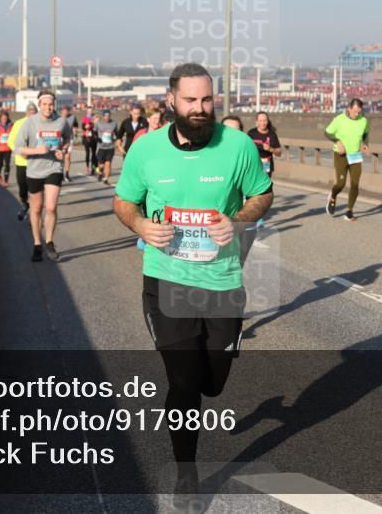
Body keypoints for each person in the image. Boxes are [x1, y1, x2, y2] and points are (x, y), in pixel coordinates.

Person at [113, 63, 273, 508]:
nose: (200, 109)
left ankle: (208, 383)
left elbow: (263, 192)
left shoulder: (237, 146)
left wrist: (238, 221)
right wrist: (142, 226)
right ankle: (186, 473)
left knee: (213, 385)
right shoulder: (146, 151)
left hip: (221, 283)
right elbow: (123, 202)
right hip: (167, 282)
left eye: (207, 100)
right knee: (182, 382)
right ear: (172, 101)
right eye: (190, 101)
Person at [18, 91, 72, 262]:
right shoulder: (30, 123)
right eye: (45, 104)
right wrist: (36, 151)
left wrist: (62, 151)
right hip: (34, 170)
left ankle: (49, 241)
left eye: (51, 104)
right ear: (39, 105)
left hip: (53, 168)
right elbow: (18, 148)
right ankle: (37, 244)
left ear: (54, 105)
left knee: (50, 207)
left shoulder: (61, 121)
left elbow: (68, 139)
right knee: (36, 208)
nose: (48, 107)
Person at [324, 98, 370, 221]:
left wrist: (365, 144)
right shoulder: (340, 119)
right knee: (341, 183)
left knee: (355, 184)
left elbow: (366, 133)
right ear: (349, 109)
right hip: (341, 155)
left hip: (355, 156)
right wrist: (338, 141)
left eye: (359, 112)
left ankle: (349, 211)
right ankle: (333, 195)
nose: (357, 115)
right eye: (355, 111)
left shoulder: (363, 120)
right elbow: (327, 132)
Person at [7, 102, 38, 221]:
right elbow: (10, 141)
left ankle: (34, 217)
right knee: (23, 189)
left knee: (34, 191)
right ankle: (25, 204)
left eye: (33, 112)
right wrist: (21, 152)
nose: (31, 114)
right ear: (26, 112)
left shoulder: (40, 124)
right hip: (21, 161)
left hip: (36, 162)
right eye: (29, 111)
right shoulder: (19, 124)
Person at [248, 111, 282, 178]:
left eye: (265, 121)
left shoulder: (272, 134)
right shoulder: (251, 133)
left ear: (268, 121)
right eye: (260, 121)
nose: (263, 123)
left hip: (266, 164)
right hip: (254, 164)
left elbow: (279, 153)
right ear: (256, 122)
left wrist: (270, 149)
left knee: (265, 186)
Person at [95, 109, 118, 184]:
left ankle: (106, 179)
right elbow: (94, 132)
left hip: (110, 147)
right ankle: (100, 172)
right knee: (101, 164)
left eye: (108, 116)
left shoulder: (114, 123)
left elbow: (117, 133)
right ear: (103, 116)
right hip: (101, 147)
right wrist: (98, 139)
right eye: (105, 116)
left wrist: (115, 139)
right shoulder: (99, 123)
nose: (107, 117)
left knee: (108, 163)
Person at [0, 110, 13, 187]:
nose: (4, 119)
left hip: (8, 148)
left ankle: (6, 181)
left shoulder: (11, 125)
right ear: (0, 118)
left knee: (7, 164)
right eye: (3, 118)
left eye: (6, 118)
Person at [80, 107, 98, 176]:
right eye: (89, 111)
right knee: (87, 153)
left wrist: (93, 122)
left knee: (94, 154)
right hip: (86, 137)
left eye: (91, 110)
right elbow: (84, 127)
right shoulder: (85, 118)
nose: (90, 112)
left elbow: (97, 125)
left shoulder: (95, 117)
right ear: (87, 111)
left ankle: (94, 168)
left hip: (93, 137)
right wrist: (91, 123)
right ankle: (87, 168)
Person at [60, 105, 76, 182]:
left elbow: (76, 125)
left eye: (67, 110)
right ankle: (61, 173)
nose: (65, 112)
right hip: (60, 139)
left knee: (68, 156)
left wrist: (75, 129)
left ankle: (67, 173)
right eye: (64, 110)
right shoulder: (58, 117)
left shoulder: (73, 117)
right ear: (62, 111)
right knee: (61, 156)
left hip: (70, 138)